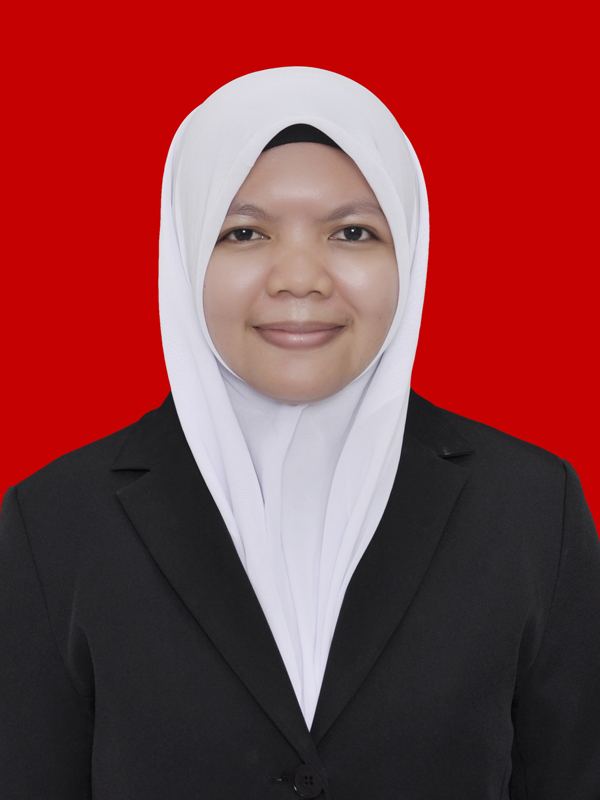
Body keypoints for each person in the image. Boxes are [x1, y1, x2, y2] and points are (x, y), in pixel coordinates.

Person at [0, 67, 598, 800]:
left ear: (409, 252)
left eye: (353, 232)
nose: (299, 278)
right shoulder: (54, 522)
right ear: (186, 252)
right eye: (244, 232)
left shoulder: (533, 507)